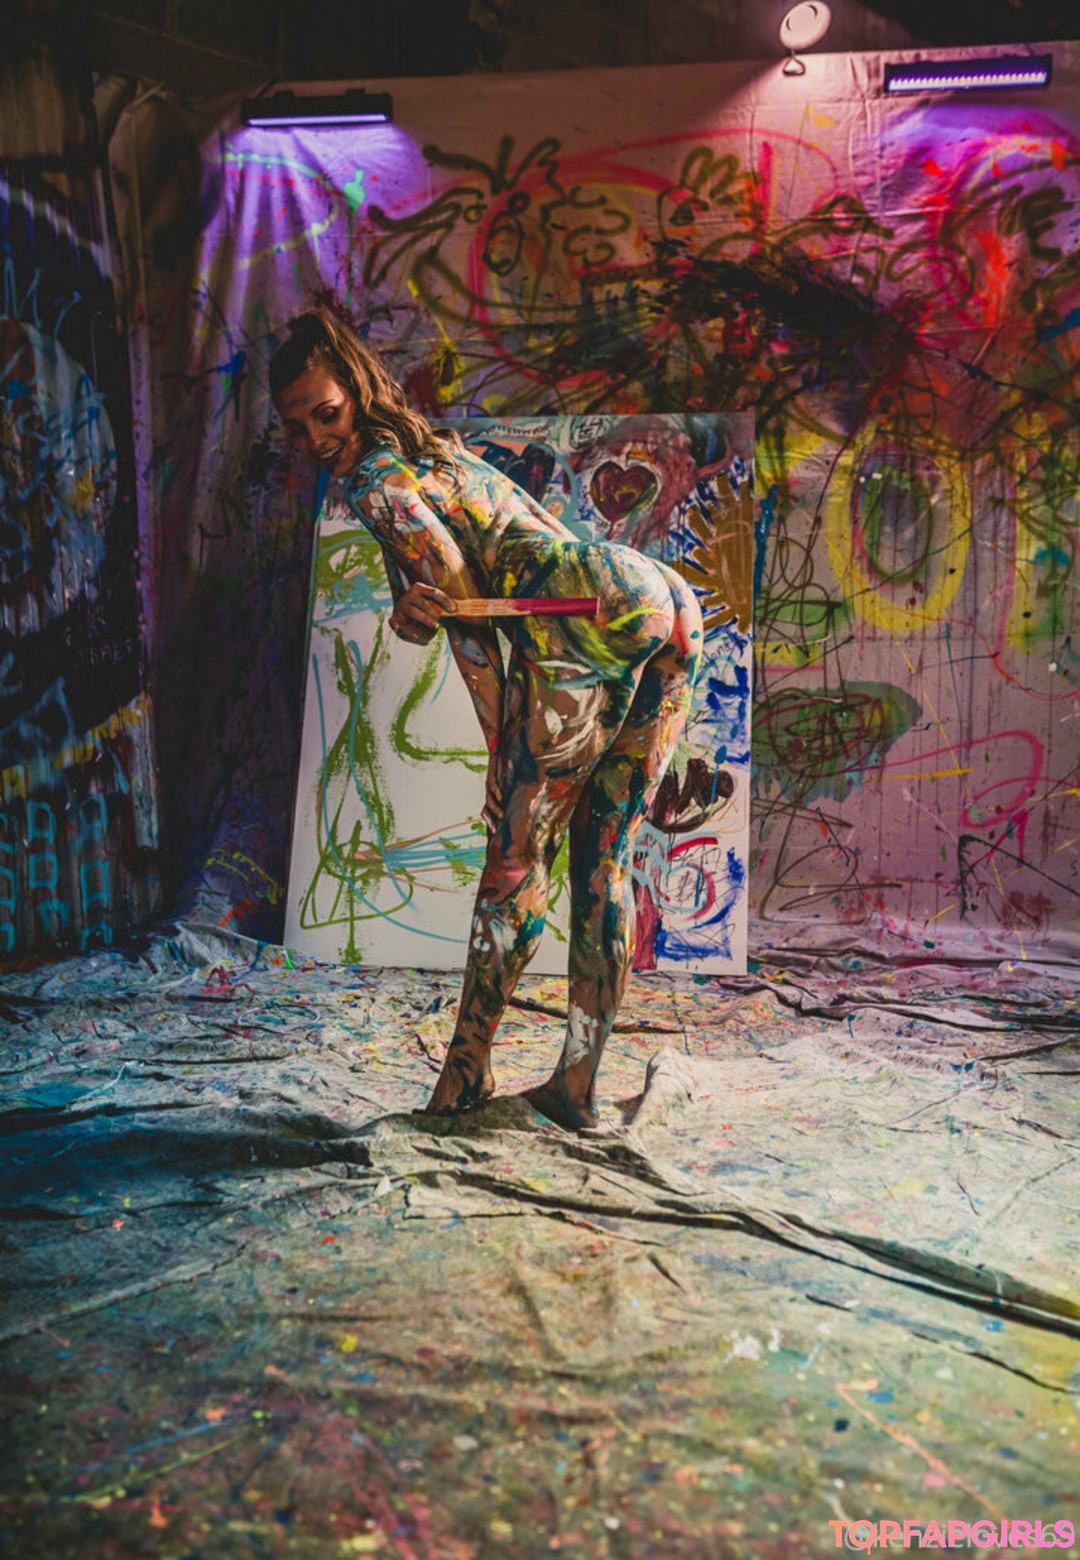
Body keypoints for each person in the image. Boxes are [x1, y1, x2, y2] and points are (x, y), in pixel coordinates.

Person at [270, 311, 703, 1130]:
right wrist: (415, 611)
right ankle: (575, 1088)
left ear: (356, 391)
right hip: (660, 597)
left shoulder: (375, 483)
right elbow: (455, 592)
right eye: (296, 428)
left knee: (514, 864)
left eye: (325, 414)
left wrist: (500, 750)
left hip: (579, 609)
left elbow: (469, 622)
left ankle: (464, 1079)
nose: (316, 439)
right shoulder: (434, 455)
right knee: (604, 863)